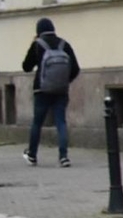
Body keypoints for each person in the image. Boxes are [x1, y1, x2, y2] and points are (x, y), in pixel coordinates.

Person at [22, 17, 80, 167]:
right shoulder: (64, 44)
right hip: (61, 90)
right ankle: (63, 156)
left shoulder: (38, 44)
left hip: (41, 89)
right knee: (60, 121)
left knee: (37, 122)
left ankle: (32, 155)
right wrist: (65, 81)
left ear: (38, 31)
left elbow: (26, 66)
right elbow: (76, 68)